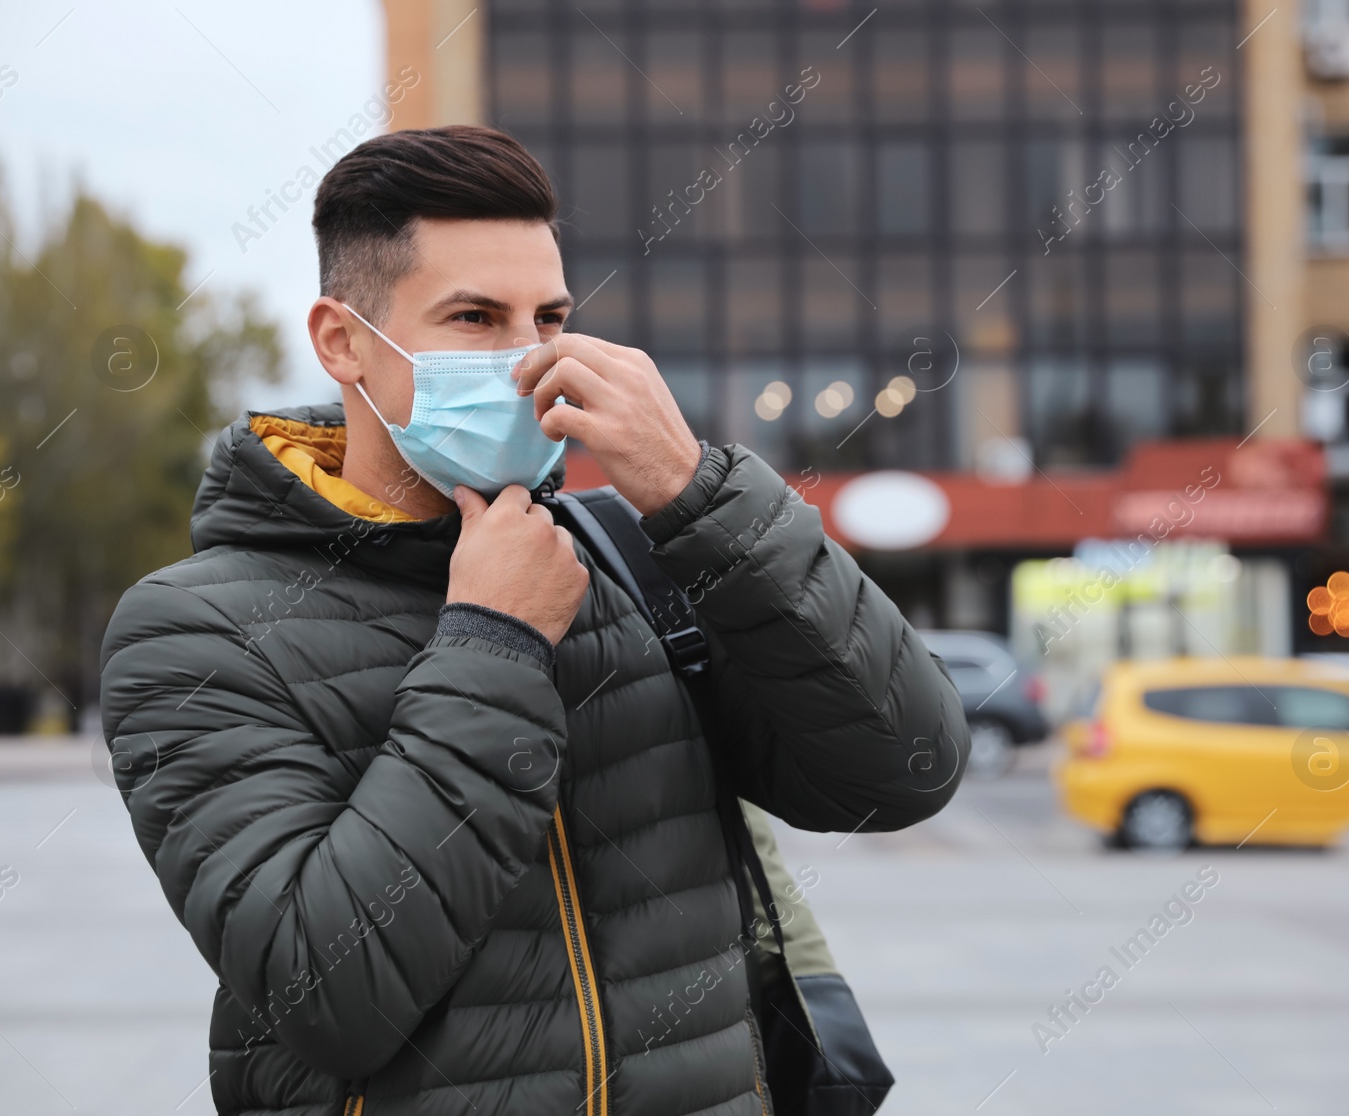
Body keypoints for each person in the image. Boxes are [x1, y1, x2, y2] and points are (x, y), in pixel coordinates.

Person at [100, 124, 967, 1116]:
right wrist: (493, 641)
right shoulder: (195, 632)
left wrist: (701, 498)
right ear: (343, 342)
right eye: (473, 317)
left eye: (548, 317)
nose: (527, 359)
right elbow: (327, 995)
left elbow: (907, 769)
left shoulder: (630, 555)